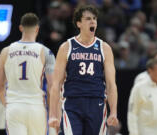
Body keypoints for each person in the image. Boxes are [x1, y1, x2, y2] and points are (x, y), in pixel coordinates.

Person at [49, 5, 118, 135]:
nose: (92, 21)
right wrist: (53, 115)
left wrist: (113, 112)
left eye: (94, 19)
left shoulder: (104, 48)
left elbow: (111, 84)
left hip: (96, 103)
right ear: (79, 23)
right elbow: (56, 84)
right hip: (72, 103)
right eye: (88, 19)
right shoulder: (66, 47)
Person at [0, 13, 55, 135]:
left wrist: (7, 105)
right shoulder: (46, 52)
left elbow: (0, 87)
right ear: (37, 29)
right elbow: (52, 87)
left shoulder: (6, 51)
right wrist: (52, 111)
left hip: (14, 106)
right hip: (36, 107)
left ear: (20, 28)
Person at [128, 58, 157, 135]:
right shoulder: (139, 87)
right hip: (145, 131)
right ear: (150, 71)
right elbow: (132, 113)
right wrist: (133, 133)